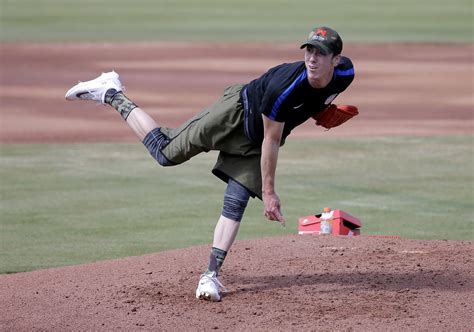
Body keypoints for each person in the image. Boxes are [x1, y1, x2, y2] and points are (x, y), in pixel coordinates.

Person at [65, 26, 355, 302]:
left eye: (320, 53)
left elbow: (314, 98)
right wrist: (269, 193)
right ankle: (111, 92)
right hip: (234, 116)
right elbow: (271, 139)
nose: (312, 59)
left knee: (237, 201)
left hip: (255, 143)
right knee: (165, 153)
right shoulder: (284, 88)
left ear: (336, 59)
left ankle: (210, 275)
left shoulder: (346, 74)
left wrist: (320, 110)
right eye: (309, 51)